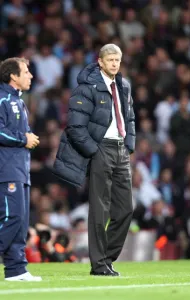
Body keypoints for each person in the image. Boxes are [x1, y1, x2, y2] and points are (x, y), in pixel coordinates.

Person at [53, 44, 135, 276]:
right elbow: (75, 126)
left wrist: (130, 145)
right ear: (100, 61)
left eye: (117, 60)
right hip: (102, 149)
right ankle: (99, 265)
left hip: (121, 150)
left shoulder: (124, 85)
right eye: (110, 59)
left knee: (126, 209)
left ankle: (105, 258)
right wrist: (94, 150)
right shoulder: (87, 87)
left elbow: (129, 118)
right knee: (100, 209)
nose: (114, 64)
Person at [0, 57, 41, 281]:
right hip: (6, 170)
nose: (30, 75)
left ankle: (16, 269)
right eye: (26, 71)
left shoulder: (19, 101)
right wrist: (23, 138)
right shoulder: (2, 98)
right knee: (11, 218)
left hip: (20, 169)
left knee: (21, 221)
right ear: (13, 76)